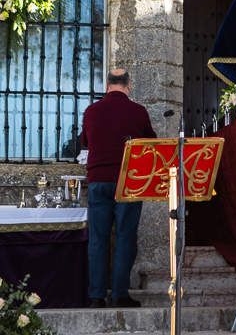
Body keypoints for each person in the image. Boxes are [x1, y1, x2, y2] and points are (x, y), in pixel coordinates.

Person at [80, 69, 156, 308]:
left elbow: (85, 142)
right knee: (125, 238)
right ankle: (120, 294)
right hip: (129, 181)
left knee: (98, 240)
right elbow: (151, 144)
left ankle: (96, 296)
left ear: (107, 85)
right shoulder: (138, 112)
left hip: (98, 180)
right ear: (128, 85)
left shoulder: (92, 111)